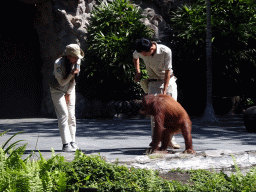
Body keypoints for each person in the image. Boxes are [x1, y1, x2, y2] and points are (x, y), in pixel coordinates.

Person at [133, 38, 180, 149]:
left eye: (145, 54)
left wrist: (164, 90)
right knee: (154, 112)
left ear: (151, 48)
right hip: (153, 82)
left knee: (171, 112)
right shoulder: (140, 51)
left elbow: (168, 70)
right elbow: (135, 58)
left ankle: (170, 140)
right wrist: (138, 72)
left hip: (168, 81)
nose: (143, 55)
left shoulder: (165, 51)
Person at [49, 44, 84, 152]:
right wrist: (71, 74)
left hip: (70, 88)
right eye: (75, 56)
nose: (77, 59)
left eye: (78, 57)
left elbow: (74, 81)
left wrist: (68, 93)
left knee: (71, 115)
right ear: (68, 56)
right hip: (57, 90)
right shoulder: (58, 64)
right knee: (63, 114)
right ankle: (66, 144)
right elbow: (62, 82)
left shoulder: (77, 61)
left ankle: (73, 141)